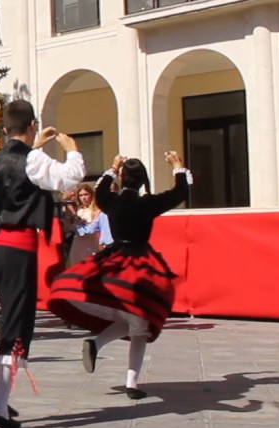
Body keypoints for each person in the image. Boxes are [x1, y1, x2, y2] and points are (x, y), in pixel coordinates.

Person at [0, 100, 84, 428]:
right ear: (33, 124)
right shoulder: (33, 159)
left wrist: (36, 148)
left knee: (10, 323)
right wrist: (73, 148)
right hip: (17, 249)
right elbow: (71, 178)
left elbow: (22, 168)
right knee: (18, 328)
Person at [48, 152, 191, 400]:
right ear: (142, 180)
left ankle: (98, 344)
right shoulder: (148, 203)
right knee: (140, 323)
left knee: (134, 320)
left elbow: (101, 187)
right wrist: (178, 166)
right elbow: (180, 193)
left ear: (122, 178)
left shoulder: (109, 201)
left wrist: (112, 167)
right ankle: (131, 382)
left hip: (113, 260)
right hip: (140, 263)